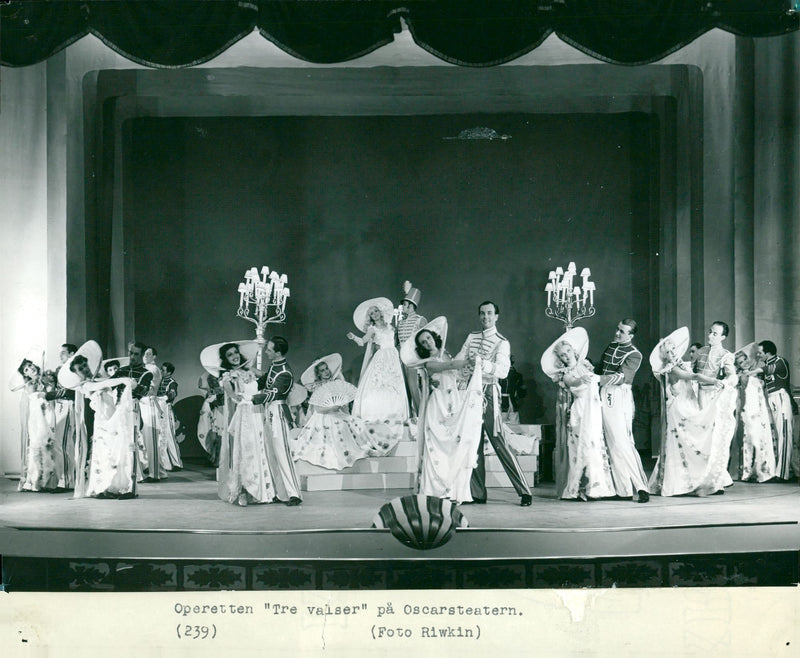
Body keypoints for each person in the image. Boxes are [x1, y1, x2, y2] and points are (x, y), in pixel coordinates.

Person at [402, 317, 488, 503]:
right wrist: (466, 361)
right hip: (438, 404)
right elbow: (447, 367)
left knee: (454, 444)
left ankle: (454, 489)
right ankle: (436, 489)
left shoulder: (446, 354)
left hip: (453, 400)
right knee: (437, 446)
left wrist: (467, 370)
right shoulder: (428, 363)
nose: (427, 342)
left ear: (434, 337)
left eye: (428, 338)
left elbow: (454, 373)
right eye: (423, 342)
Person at [455, 301, 532, 506]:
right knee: (473, 443)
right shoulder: (471, 337)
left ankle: (524, 491)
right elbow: (460, 359)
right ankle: (477, 492)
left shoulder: (501, 342)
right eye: (482, 313)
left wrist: (482, 364)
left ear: (496, 316)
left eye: (490, 313)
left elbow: (503, 371)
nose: (485, 317)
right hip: (469, 394)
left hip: (489, 393)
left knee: (499, 442)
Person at [648, 328, 735, 496]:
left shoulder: (681, 364)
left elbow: (693, 369)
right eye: (668, 351)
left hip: (689, 406)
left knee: (696, 444)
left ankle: (701, 480)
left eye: (673, 349)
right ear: (663, 356)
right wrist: (715, 381)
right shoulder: (671, 369)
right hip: (679, 411)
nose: (672, 353)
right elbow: (694, 377)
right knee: (688, 444)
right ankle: (682, 483)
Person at [541, 328, 615, 501]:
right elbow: (573, 382)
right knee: (583, 445)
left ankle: (596, 487)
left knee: (595, 445)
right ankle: (580, 487)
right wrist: (580, 380)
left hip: (594, 409)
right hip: (581, 410)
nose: (566, 356)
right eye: (562, 355)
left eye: (567, 351)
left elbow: (597, 380)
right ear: (560, 359)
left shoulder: (585, 365)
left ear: (573, 350)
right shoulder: (567, 374)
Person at [59, 341, 140, 499]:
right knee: (104, 454)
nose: (85, 369)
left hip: (113, 418)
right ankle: (102, 487)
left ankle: (120, 487)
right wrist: (122, 380)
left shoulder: (99, 379)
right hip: (103, 422)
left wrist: (125, 383)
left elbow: (107, 383)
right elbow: (104, 384)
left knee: (119, 451)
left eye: (85, 365)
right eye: (80, 369)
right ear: (76, 373)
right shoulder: (85, 386)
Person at [209, 340, 276, 506]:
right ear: (225, 359)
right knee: (245, 451)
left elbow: (269, 377)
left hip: (257, 414)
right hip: (243, 415)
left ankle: (262, 490)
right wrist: (239, 395)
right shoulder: (227, 376)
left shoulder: (251, 371)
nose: (234, 357)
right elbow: (232, 396)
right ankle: (244, 490)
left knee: (259, 449)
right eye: (229, 355)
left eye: (235, 353)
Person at [595, 318, 649, 502]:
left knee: (622, 441)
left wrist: (596, 379)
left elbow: (622, 377)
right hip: (604, 392)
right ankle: (623, 489)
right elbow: (600, 367)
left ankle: (641, 487)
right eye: (617, 329)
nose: (617, 333)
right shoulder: (611, 346)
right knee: (610, 441)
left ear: (631, 335)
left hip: (619, 395)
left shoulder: (635, 354)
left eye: (622, 332)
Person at [292, 354, 370, 470]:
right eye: (322, 371)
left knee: (355, 424)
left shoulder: (336, 383)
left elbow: (344, 402)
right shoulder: (318, 387)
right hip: (322, 416)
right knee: (333, 428)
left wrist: (341, 407)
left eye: (326, 369)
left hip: (337, 414)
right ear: (318, 374)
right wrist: (331, 409)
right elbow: (318, 409)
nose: (326, 372)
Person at [253, 336, 302, 506]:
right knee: (271, 453)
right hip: (269, 411)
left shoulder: (285, 373)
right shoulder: (274, 366)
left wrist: (251, 398)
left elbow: (273, 393)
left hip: (279, 412)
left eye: (269, 349)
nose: (266, 352)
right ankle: (280, 493)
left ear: (278, 352)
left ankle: (294, 493)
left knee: (282, 453)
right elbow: (263, 381)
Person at [690, 321, 738, 492]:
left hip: (714, 398)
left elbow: (732, 375)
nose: (710, 336)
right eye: (710, 332)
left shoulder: (726, 355)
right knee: (698, 436)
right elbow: (691, 371)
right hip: (698, 396)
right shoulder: (701, 351)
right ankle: (699, 477)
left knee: (712, 438)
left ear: (723, 337)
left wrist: (726, 382)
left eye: (715, 334)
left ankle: (716, 479)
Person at [347, 297, 409, 423]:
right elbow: (362, 342)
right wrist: (354, 337)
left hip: (393, 357)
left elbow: (398, 342)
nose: (374, 314)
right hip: (381, 357)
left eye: (375, 311)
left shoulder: (391, 327)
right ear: (369, 317)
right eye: (371, 314)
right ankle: (376, 414)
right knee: (379, 383)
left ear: (380, 312)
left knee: (394, 384)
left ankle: (394, 413)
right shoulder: (372, 329)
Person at [729, 344, 776, 482]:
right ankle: (748, 471)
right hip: (747, 410)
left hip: (760, 409)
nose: (745, 363)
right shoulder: (741, 377)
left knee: (760, 438)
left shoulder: (754, 372)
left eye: (745, 359)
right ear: (737, 365)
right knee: (749, 439)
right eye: (741, 362)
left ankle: (760, 470)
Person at [13, 354, 59, 492]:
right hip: (37, 416)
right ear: (25, 374)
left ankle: (49, 480)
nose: (30, 369)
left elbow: (52, 392)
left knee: (50, 445)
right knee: (37, 446)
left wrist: (46, 383)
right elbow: (34, 400)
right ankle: (34, 481)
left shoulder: (46, 378)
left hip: (50, 412)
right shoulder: (29, 385)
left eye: (30, 366)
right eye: (26, 369)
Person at [752, 340, 796, 480]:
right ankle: (781, 470)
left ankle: (783, 474)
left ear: (768, 353)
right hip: (772, 400)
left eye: (760, 352)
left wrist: (749, 372)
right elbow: (760, 379)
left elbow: (765, 370)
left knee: (784, 436)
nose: (758, 355)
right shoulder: (767, 364)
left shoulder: (780, 361)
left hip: (781, 398)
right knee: (777, 436)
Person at [395, 281, 427, 417]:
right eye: (403, 304)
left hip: (414, 359)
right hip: (401, 359)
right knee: (404, 388)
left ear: (411, 305)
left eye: (406, 304)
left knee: (414, 387)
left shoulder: (420, 320)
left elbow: (425, 342)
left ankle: (421, 416)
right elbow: (396, 342)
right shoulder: (401, 323)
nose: (403, 306)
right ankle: (409, 416)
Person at [157, 361, 183, 470]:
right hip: (158, 408)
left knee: (170, 436)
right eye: (161, 369)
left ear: (169, 372)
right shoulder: (160, 380)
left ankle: (176, 463)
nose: (161, 371)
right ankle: (164, 463)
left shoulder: (172, 383)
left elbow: (172, 394)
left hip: (166, 408)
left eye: (163, 370)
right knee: (160, 435)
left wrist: (163, 398)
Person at [197, 371, 224, 466]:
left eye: (213, 382)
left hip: (222, 412)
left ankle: (218, 458)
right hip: (215, 413)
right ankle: (214, 456)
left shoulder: (223, 389)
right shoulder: (212, 392)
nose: (212, 384)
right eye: (211, 383)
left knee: (220, 437)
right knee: (214, 436)